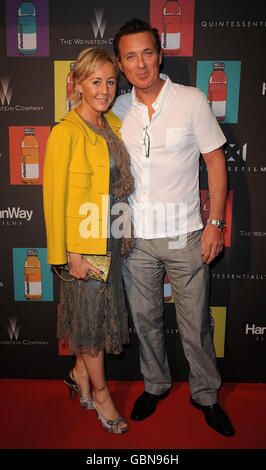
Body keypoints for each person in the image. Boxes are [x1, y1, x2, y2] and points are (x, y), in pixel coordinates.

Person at [112, 18, 234, 437]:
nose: (140, 63)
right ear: (121, 65)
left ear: (160, 55)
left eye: (147, 52)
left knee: (195, 323)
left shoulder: (192, 100)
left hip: (186, 234)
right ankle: (156, 384)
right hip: (135, 237)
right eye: (130, 56)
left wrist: (215, 223)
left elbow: (216, 163)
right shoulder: (116, 109)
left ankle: (206, 395)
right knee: (144, 321)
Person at [43, 47, 135, 434]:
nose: (104, 89)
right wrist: (71, 254)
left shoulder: (112, 122)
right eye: (95, 81)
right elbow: (55, 198)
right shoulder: (65, 132)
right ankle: (101, 395)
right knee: (93, 326)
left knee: (92, 319)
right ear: (78, 83)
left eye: (111, 81)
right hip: (85, 245)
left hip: (113, 236)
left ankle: (78, 373)